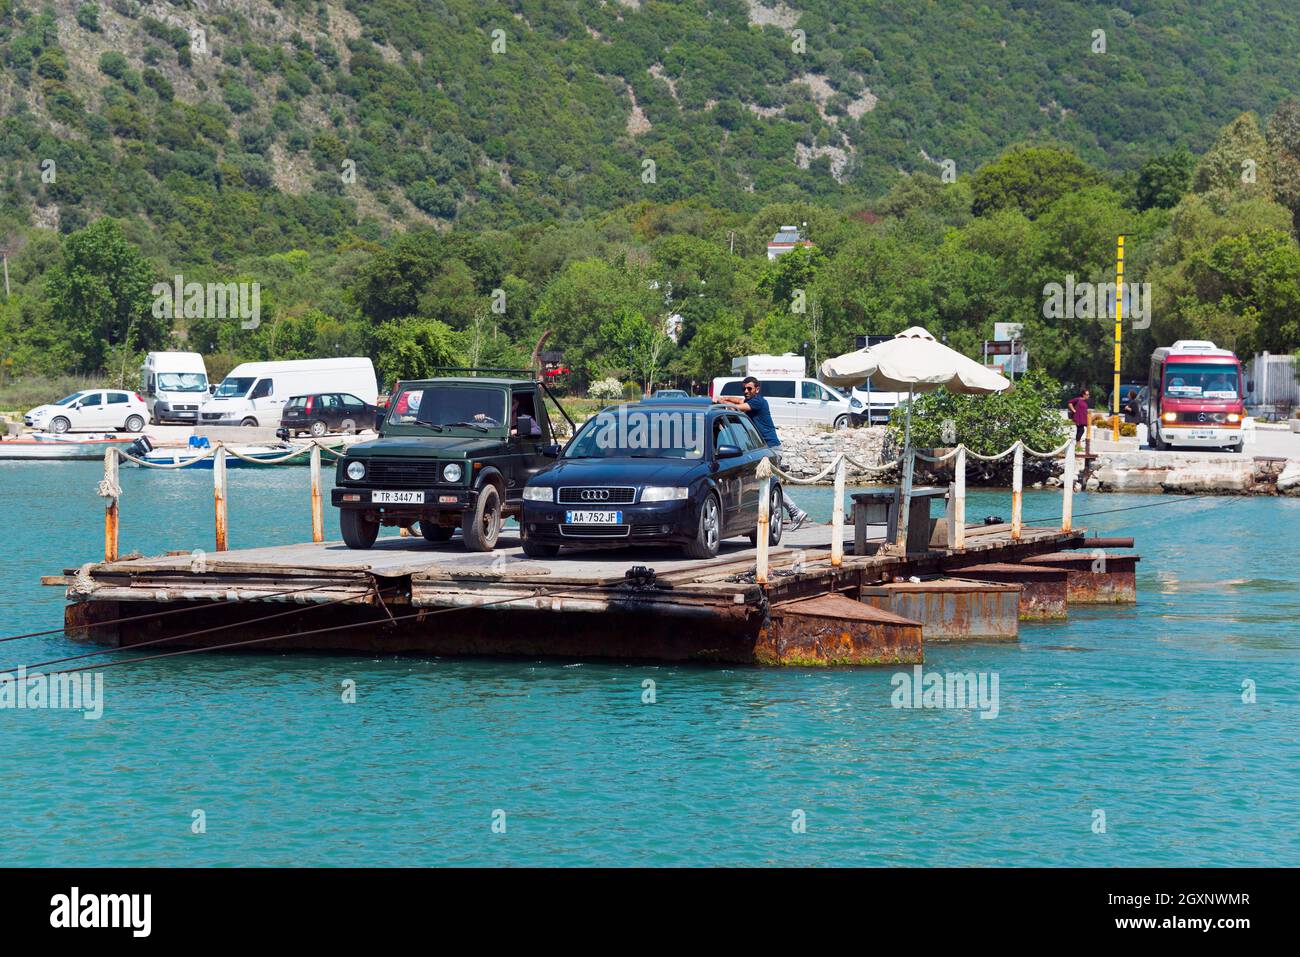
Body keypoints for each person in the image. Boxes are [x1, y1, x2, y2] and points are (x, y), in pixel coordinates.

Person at [719, 376, 809, 529]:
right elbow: (740, 401)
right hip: (764, 450)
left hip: (771, 449)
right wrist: (726, 397)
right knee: (765, 484)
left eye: (749, 389)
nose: (746, 391)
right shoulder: (751, 400)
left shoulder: (759, 401)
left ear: (757, 389)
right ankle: (788, 513)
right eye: (744, 389)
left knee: (768, 483)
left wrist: (721, 402)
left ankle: (795, 511)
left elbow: (739, 407)